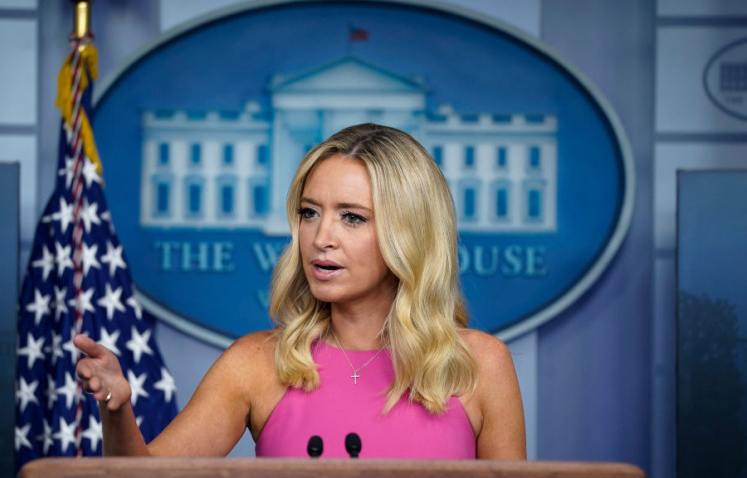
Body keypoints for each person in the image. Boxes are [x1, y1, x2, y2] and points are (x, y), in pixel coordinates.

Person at [74, 123, 526, 459]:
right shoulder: (255, 364)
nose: (321, 236)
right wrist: (118, 410)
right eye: (310, 213)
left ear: (410, 233)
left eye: (352, 217)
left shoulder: (480, 365)